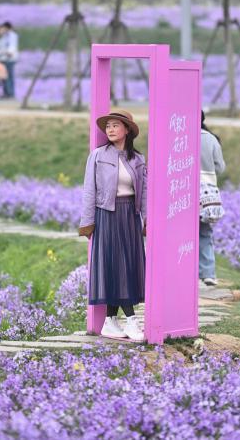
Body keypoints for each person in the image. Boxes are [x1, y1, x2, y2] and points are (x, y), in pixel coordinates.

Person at [79, 109, 147, 342]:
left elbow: (145, 192)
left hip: (130, 216)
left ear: (127, 130)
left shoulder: (137, 159)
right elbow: (89, 190)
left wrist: (147, 220)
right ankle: (131, 320)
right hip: (107, 215)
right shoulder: (98, 156)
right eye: (108, 126)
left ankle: (110, 321)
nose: (110, 129)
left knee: (126, 266)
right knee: (115, 266)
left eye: (116, 125)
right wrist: (87, 222)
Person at [199, 111, 226, 287]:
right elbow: (220, 167)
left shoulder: (176, 136)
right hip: (206, 192)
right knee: (205, 232)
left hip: (180, 190)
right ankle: (208, 273)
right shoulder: (210, 139)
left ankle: (182, 270)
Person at [0, 21, 18, 98]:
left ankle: (10, 93)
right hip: (3, 59)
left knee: (9, 77)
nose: (1, 30)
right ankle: (6, 93)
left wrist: (6, 52)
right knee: (4, 77)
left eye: (2, 28)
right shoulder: (4, 36)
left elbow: (11, 48)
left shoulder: (12, 35)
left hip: (9, 60)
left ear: (6, 28)